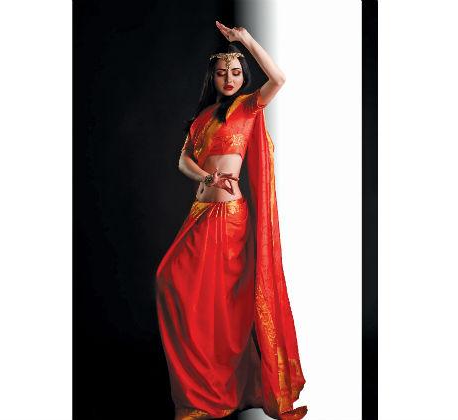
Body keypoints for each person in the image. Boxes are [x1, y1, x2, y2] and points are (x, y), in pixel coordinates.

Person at [155, 21, 307, 420]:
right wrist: (206, 177)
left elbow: (279, 78)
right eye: (223, 73)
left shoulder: (248, 107)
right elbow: (184, 160)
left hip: (229, 220)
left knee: (223, 309)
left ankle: (218, 392)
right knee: (172, 283)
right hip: (200, 216)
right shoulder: (202, 118)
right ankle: (199, 388)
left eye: (236, 72)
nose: (229, 79)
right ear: (213, 77)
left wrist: (245, 40)